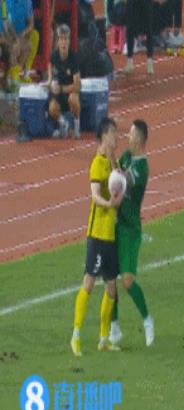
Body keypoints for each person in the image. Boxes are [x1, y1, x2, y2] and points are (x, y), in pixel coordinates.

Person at [70, 117, 123, 357]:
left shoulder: (112, 163)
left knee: (111, 287)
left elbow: (119, 181)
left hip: (110, 234)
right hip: (97, 234)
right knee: (89, 283)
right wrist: (109, 204)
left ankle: (103, 339)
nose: (116, 138)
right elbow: (94, 195)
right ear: (103, 137)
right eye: (113, 134)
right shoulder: (96, 163)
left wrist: (114, 161)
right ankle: (76, 335)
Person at [109, 120, 155, 348]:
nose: (128, 136)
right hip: (116, 225)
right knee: (110, 278)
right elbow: (115, 172)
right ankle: (114, 326)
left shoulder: (142, 168)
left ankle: (147, 320)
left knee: (127, 281)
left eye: (131, 133)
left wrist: (110, 155)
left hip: (130, 229)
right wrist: (111, 156)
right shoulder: (127, 156)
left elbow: (122, 179)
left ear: (140, 139)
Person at [48, 24, 81, 139]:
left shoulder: (74, 58)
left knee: (74, 99)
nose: (64, 42)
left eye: (66, 39)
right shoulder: (53, 57)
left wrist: (62, 89)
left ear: (69, 41)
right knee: (52, 108)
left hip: (69, 92)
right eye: (61, 39)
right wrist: (50, 85)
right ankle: (64, 124)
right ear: (57, 41)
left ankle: (76, 126)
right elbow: (49, 79)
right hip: (58, 95)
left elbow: (77, 85)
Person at [5, 0, 39, 83]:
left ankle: (25, 73)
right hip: (7, 34)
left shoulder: (27, 2)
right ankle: (13, 74)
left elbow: (31, 24)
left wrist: (23, 33)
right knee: (14, 45)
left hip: (21, 35)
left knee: (35, 36)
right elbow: (6, 23)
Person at [125, 0, 154, 74]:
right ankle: (130, 62)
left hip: (139, 5)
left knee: (147, 31)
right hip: (139, 5)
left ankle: (149, 62)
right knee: (131, 31)